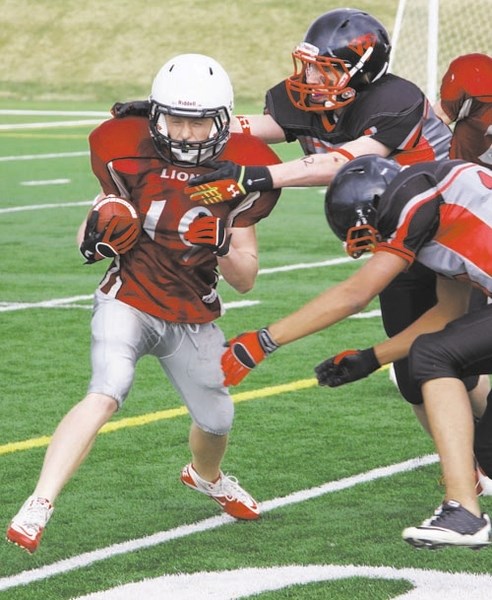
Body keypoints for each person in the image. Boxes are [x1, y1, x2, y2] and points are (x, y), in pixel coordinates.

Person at [6, 53, 281, 554]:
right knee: (107, 389)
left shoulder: (241, 173)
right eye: (175, 118)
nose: (185, 133)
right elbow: (96, 222)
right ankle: (39, 501)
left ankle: (206, 476)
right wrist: (95, 238)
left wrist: (220, 240)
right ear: (156, 114)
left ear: (221, 121)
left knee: (217, 419)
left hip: (193, 312)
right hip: (128, 298)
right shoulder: (122, 150)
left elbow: (246, 277)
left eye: (198, 122)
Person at [182, 8, 489, 432]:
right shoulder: (312, 98)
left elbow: (343, 163)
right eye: (307, 66)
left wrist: (258, 176)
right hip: (395, 235)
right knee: (413, 376)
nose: (309, 78)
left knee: (451, 359)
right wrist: (185, 118)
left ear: (362, 71)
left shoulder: (395, 100)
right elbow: (249, 127)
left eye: (324, 69)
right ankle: (467, 472)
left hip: (444, 234)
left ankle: (478, 459)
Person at [217, 154, 492, 548]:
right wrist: (371, 357)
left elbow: (356, 294)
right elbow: (448, 314)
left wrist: (263, 340)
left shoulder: (417, 194)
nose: (377, 245)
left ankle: (464, 511)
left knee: (431, 356)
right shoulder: (442, 209)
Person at [433, 53, 492, 168]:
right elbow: (435, 121)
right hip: (461, 173)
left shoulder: (476, 74)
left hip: (461, 175)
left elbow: (429, 125)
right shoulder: (478, 75)